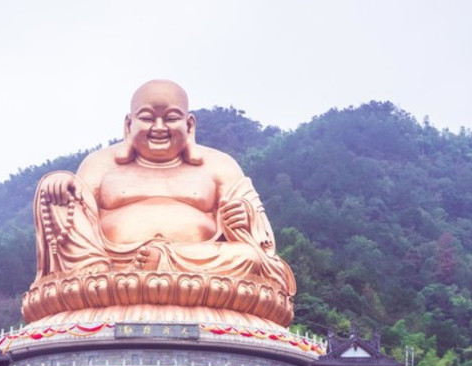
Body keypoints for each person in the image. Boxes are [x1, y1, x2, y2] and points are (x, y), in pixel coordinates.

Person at [25, 80, 295, 327]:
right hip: (110, 264)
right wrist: (59, 182)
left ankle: (158, 261)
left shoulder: (220, 165)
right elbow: (77, 218)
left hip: (198, 265)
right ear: (128, 125)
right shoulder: (100, 164)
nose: (158, 127)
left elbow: (263, 245)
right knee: (56, 192)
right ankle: (95, 275)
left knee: (246, 257)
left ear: (189, 125)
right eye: (146, 118)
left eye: (171, 118)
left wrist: (243, 221)